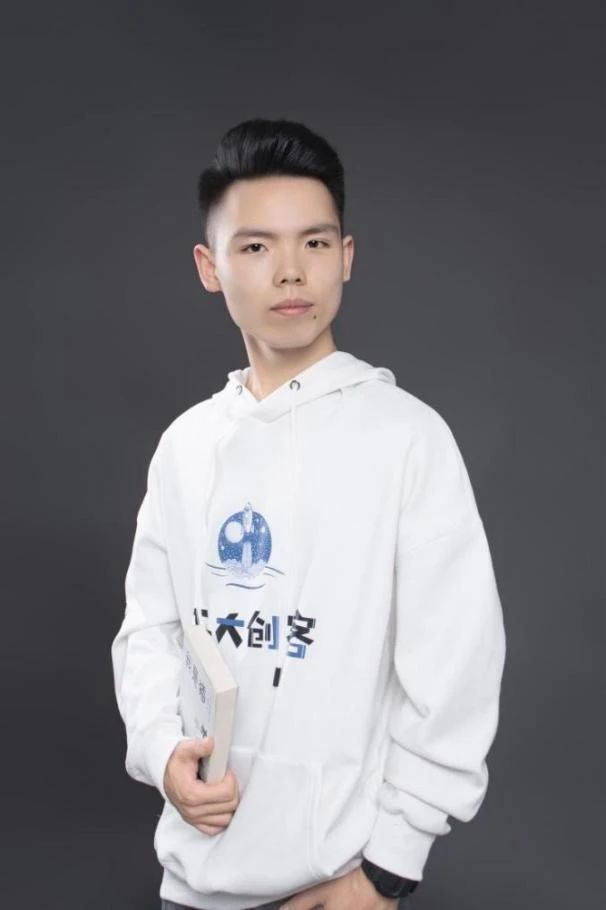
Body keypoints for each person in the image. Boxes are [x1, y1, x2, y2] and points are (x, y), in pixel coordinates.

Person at [111, 117, 506, 910]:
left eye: (315, 243)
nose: (291, 271)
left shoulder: (407, 439)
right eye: (256, 246)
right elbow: (150, 631)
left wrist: (388, 870)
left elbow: (455, 665)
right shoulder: (186, 446)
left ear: (346, 257)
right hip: (190, 881)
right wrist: (162, 753)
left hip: (335, 883)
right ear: (210, 267)